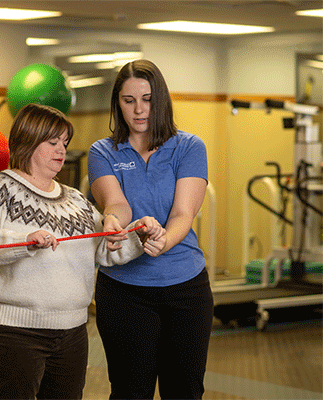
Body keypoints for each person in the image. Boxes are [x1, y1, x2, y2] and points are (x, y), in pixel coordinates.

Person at [0, 103, 164, 400]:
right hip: (12, 330)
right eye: (52, 142)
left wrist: (139, 237)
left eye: (64, 143)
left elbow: (105, 250)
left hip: (72, 331)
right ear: (28, 141)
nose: (61, 150)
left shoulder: (75, 199)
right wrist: (23, 241)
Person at [87, 59, 213, 400]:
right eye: (129, 101)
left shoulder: (189, 147)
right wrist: (112, 220)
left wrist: (163, 240)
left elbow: (184, 213)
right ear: (118, 104)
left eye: (147, 99)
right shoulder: (103, 151)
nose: (139, 110)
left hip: (186, 289)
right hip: (124, 290)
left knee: (184, 391)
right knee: (130, 392)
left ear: (161, 100)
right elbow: (116, 203)